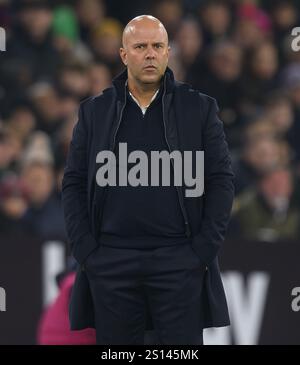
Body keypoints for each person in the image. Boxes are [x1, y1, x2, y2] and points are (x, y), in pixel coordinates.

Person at [62, 15, 235, 345]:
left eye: (157, 46)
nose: (150, 54)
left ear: (169, 52)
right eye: (140, 47)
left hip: (179, 260)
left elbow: (221, 181)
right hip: (111, 261)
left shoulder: (199, 109)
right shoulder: (93, 112)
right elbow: (73, 182)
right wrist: (87, 251)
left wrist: (201, 251)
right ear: (124, 55)